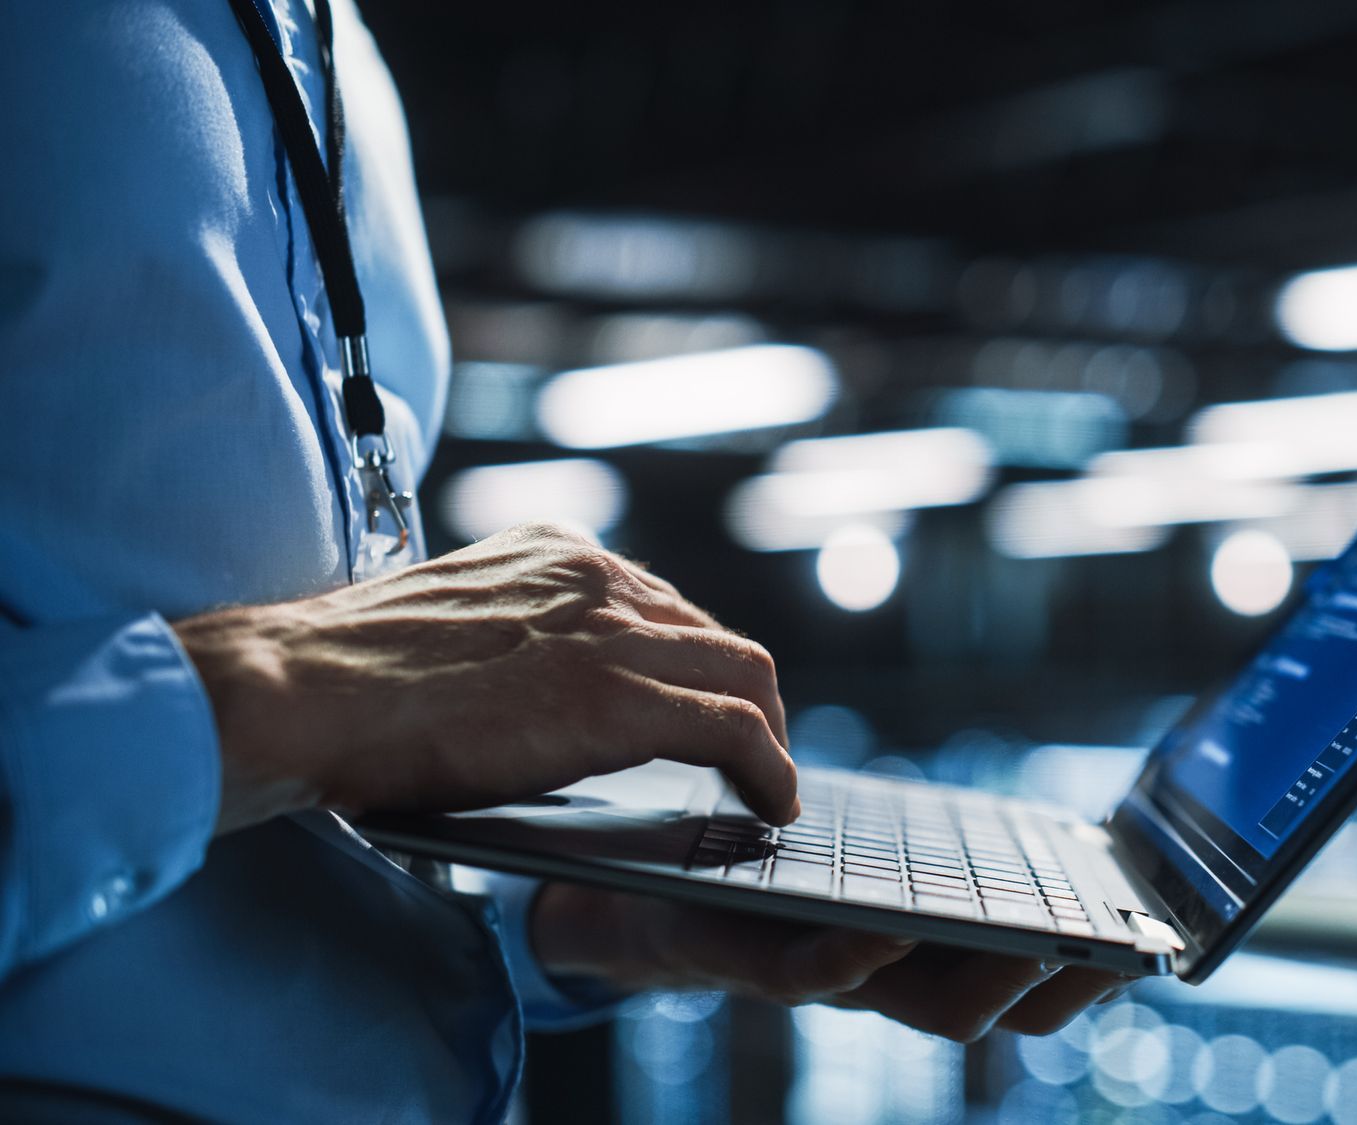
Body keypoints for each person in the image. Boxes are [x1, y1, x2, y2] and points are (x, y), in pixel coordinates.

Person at [0, 1, 1129, 1119]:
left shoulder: (342, 58)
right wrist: (288, 684)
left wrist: (600, 919)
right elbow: (310, 708)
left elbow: (285, 835)